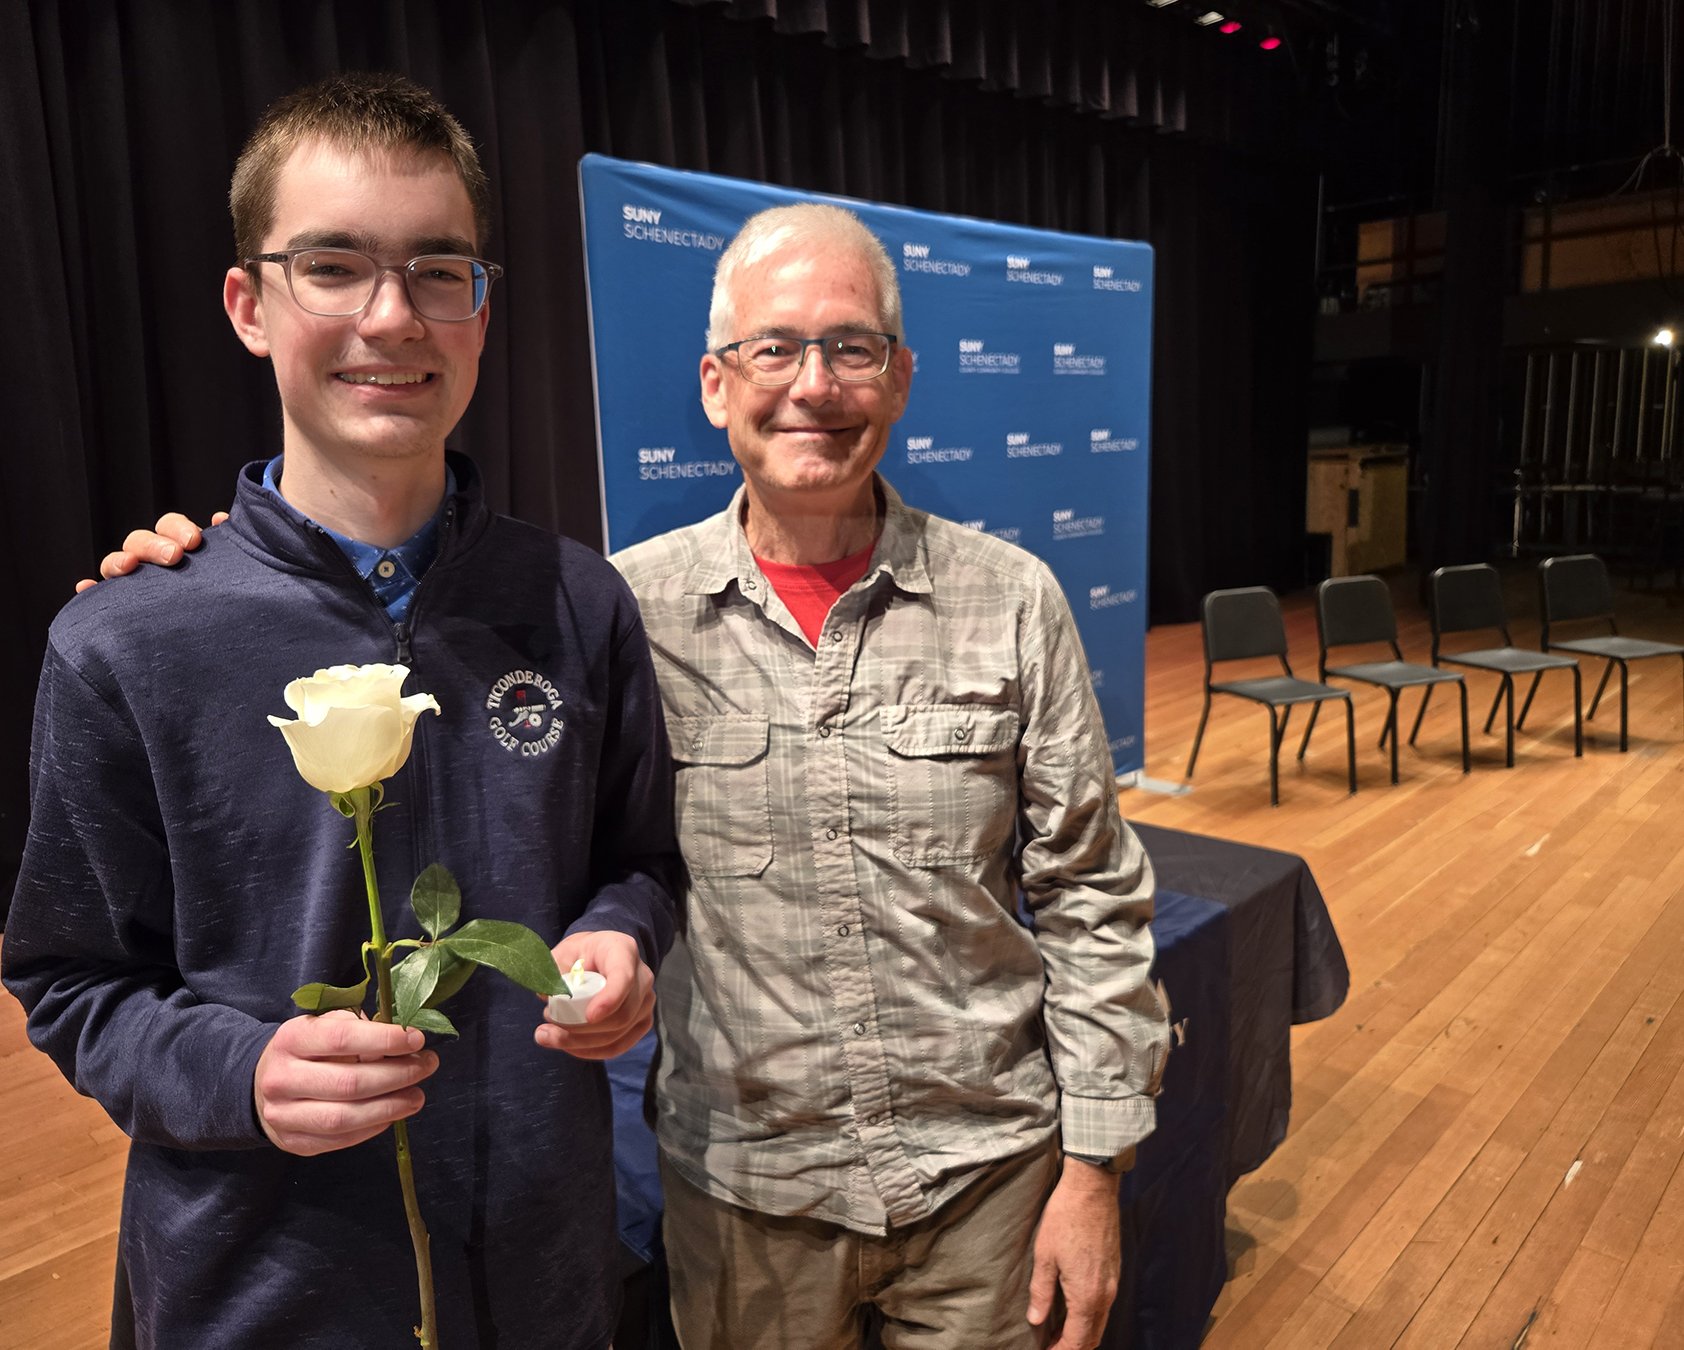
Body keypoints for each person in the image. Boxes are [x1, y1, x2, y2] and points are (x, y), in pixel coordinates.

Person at [106, 201, 1166, 1350]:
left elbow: (1092, 899)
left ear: (900, 378)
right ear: (716, 386)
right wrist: (207, 577)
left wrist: (1095, 1171)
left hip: (988, 1191)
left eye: (851, 347)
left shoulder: (1012, 603)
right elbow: (559, 816)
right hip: (745, 1203)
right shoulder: (611, 612)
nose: (813, 384)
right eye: (774, 348)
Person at [7, 72, 678, 1350]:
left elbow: (640, 860)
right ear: (249, 305)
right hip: (264, 1292)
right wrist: (238, 1074)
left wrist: (619, 937)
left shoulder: (577, 600)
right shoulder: (128, 640)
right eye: (333, 265)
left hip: (547, 1276)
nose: (392, 317)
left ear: (482, 309)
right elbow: (72, 983)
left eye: (439, 269)